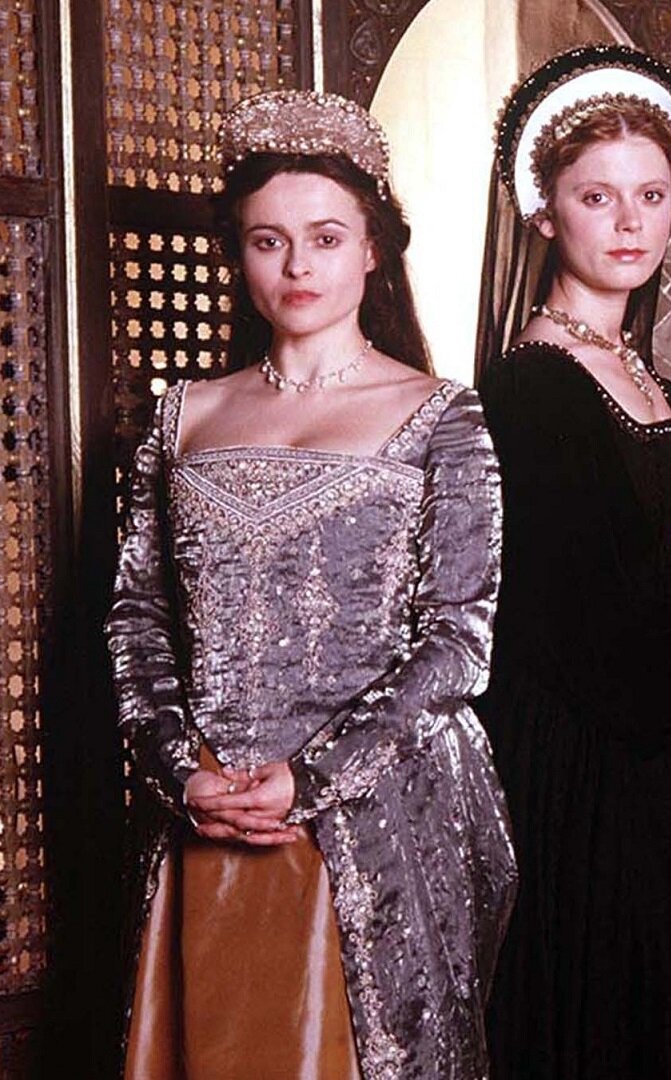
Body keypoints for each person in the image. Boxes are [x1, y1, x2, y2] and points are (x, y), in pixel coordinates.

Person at [107, 89, 515, 1079]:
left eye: (325, 239)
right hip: (211, 808)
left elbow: (457, 642)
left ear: (372, 249)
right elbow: (137, 619)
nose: (298, 267)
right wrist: (181, 771)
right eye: (269, 241)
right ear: (238, 254)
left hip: (380, 814)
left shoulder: (440, 416)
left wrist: (317, 778)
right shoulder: (183, 416)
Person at [474, 44, 671, 1080]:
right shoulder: (532, 385)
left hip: (662, 745)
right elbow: (572, 610)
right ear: (544, 213)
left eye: (650, 196)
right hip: (584, 762)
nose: (628, 223)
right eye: (597, 197)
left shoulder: (643, 377)